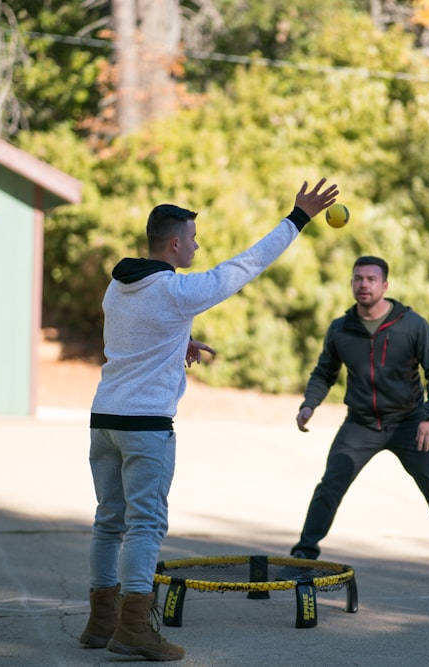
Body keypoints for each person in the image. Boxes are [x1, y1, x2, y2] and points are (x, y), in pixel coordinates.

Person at [80, 179, 339, 661]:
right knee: (144, 526)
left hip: (104, 419)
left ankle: (100, 622)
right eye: (193, 239)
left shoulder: (118, 287)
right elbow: (246, 265)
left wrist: (181, 343)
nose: (198, 246)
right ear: (174, 244)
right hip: (145, 427)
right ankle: (133, 628)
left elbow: (136, 337)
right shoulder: (179, 291)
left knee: (108, 522)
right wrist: (297, 217)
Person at [288, 256, 429, 587]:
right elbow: (325, 372)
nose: (363, 284)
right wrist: (310, 404)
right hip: (361, 424)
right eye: (358, 279)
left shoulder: (411, 324)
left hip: (410, 423)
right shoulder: (341, 328)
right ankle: (303, 555)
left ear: (385, 286)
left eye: (371, 279)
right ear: (351, 283)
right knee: (329, 486)